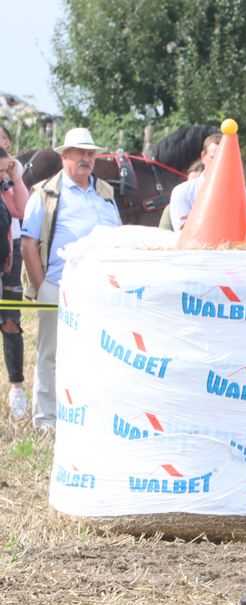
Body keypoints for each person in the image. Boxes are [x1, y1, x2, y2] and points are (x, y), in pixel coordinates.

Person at [20, 128, 122, 431]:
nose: (86, 159)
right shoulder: (45, 193)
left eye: (90, 154)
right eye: (79, 153)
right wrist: (43, 287)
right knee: (51, 354)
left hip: (99, 289)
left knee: (94, 352)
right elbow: (28, 244)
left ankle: (86, 415)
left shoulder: (105, 191)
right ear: (64, 157)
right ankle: (46, 420)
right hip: (58, 286)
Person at [167, 133, 246, 232]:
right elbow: (183, 234)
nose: (220, 163)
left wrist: (200, 221)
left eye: (225, 158)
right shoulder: (182, 192)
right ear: (203, 157)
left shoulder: (244, 196)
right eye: (214, 158)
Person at [0, 139, 29, 420]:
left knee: (10, 321)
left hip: (7, 261)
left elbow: (23, 210)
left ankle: (17, 389)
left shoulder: (7, 183)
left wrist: (15, 178)